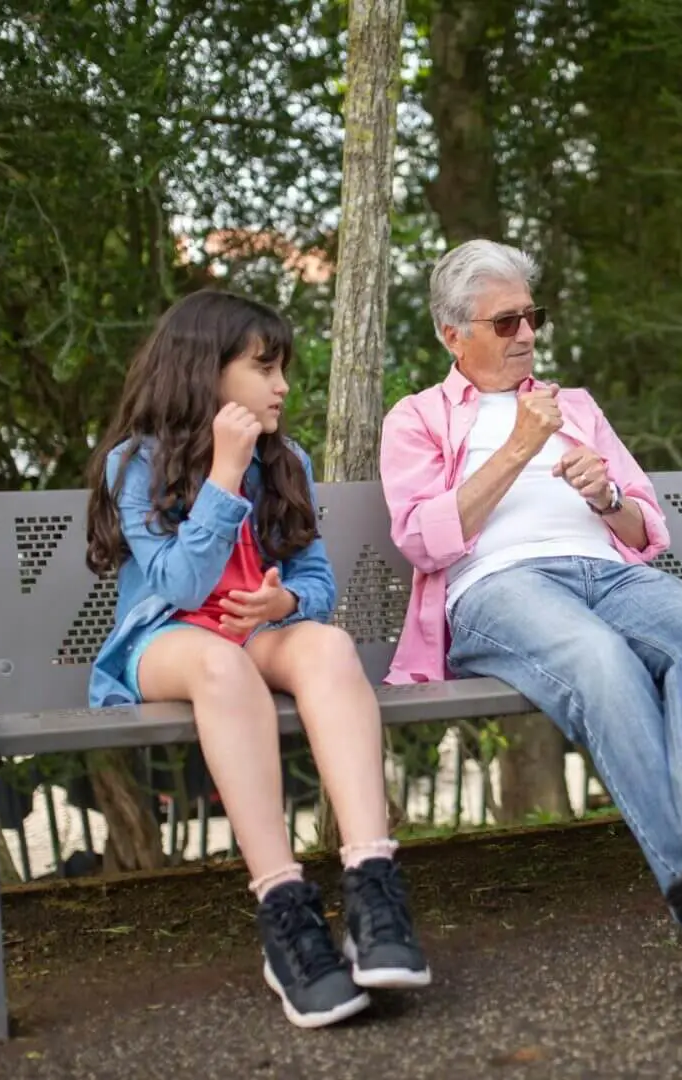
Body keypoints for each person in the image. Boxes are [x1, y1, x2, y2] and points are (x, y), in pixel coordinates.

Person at [379, 239, 682, 1000]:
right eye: (505, 322)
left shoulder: (578, 407)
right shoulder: (418, 418)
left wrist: (605, 498)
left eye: (533, 316)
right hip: (497, 588)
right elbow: (422, 541)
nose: (527, 333)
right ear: (451, 334)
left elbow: (643, 530)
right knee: (599, 660)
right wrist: (518, 447)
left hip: (605, 570)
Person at [84, 289, 430, 1028]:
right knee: (218, 662)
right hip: (166, 643)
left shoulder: (287, 459)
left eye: (283, 370)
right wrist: (223, 473)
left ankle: (372, 886)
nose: (281, 386)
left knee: (328, 646)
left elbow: (318, 584)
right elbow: (179, 584)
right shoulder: (135, 463)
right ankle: (283, 909)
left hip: (254, 633)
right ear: (205, 371)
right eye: (263, 368)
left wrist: (283, 606)